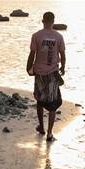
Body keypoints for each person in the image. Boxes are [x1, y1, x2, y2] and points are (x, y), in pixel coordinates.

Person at [26, 11, 66, 142]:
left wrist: (28, 67)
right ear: (53, 22)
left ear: (43, 21)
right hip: (52, 73)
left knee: (39, 99)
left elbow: (32, 53)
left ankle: (41, 127)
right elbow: (63, 55)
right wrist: (63, 67)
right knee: (53, 103)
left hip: (39, 73)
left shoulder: (36, 36)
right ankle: (49, 133)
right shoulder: (58, 37)